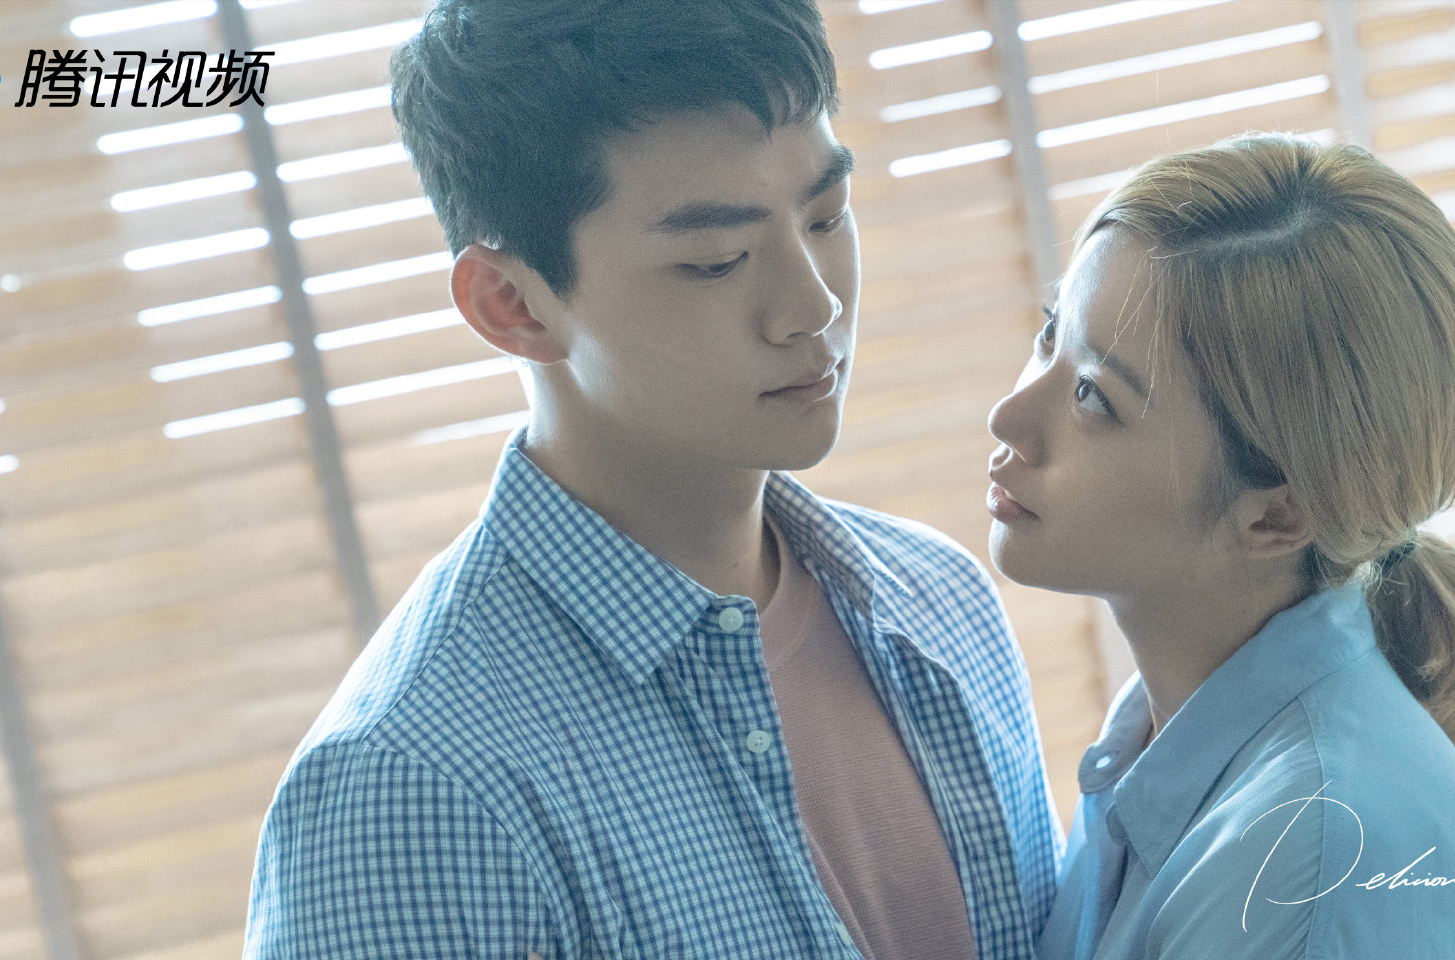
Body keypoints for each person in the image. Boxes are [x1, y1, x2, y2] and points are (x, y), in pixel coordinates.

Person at [242, 1, 1058, 956]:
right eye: (716, 261)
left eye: (827, 216)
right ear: (512, 304)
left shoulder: (941, 601)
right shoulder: (410, 788)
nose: (813, 305)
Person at [987, 133, 1455, 960]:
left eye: (1094, 395)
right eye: (1049, 336)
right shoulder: (1159, 743)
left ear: (1278, 515)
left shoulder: (1307, 858)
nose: (1010, 417)